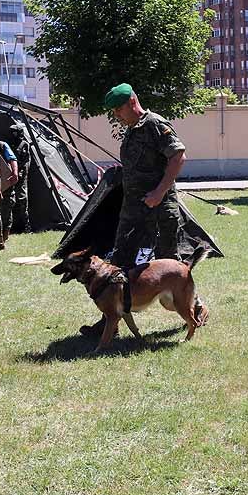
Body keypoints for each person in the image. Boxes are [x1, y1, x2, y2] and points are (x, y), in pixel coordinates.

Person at [80, 83, 194, 337]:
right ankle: (110, 319)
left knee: (171, 266)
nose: (117, 116)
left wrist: (159, 192)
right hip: (133, 209)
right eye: (114, 112)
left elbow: (178, 157)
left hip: (159, 208)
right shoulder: (131, 130)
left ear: (132, 102)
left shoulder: (154, 124)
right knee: (118, 263)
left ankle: (196, 309)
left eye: (119, 110)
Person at [0, 127, 18, 248]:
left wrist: (14, 172)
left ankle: (5, 234)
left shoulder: (1, 145)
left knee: (6, 210)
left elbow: (12, 158)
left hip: (5, 185)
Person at [9, 121, 32, 234]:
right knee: (10, 201)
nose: (12, 134)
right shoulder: (10, 144)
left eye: (14, 132)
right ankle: (11, 225)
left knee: (22, 200)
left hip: (21, 176)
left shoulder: (24, 144)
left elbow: (26, 162)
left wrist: (20, 172)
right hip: (10, 177)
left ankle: (26, 226)